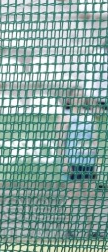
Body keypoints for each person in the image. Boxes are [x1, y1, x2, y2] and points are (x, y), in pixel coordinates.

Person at [57, 90, 103, 238]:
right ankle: (67, 230)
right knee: (70, 196)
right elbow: (60, 141)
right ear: (70, 98)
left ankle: (91, 231)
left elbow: (94, 141)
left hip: (88, 162)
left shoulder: (89, 116)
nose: (79, 98)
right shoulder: (65, 116)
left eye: (81, 95)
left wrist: (97, 162)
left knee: (90, 197)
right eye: (76, 95)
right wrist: (64, 161)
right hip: (72, 162)